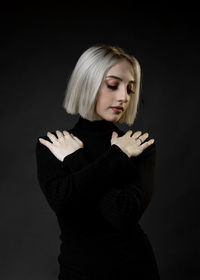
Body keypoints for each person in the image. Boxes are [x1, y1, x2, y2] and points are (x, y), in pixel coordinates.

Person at [35, 44, 160, 280]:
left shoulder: (139, 145)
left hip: (136, 270)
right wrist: (117, 157)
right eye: (113, 85)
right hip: (78, 272)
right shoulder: (53, 144)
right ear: (86, 84)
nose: (123, 97)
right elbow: (63, 201)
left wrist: (75, 159)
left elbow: (122, 214)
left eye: (130, 89)